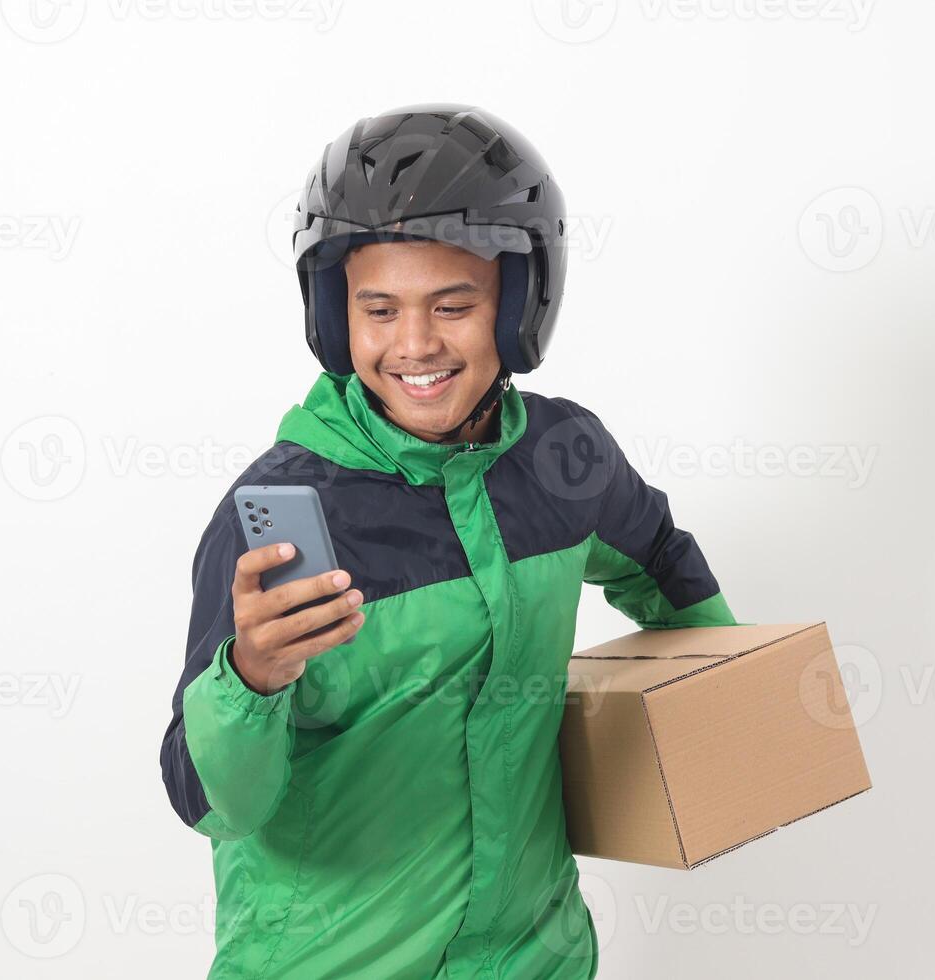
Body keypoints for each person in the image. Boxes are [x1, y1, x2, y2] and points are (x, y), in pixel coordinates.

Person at [159, 103, 736, 979]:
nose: (415, 343)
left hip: (535, 958)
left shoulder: (559, 459)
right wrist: (250, 680)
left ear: (517, 306)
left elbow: (660, 557)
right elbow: (211, 803)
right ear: (332, 313)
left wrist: (731, 717)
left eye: (454, 304)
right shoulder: (285, 515)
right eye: (379, 309)